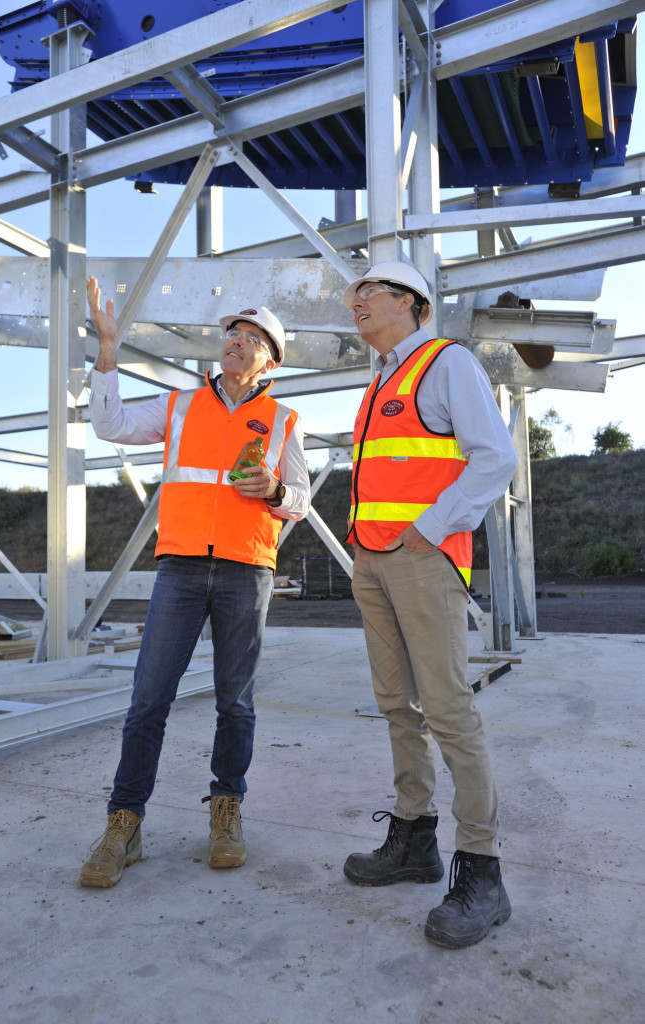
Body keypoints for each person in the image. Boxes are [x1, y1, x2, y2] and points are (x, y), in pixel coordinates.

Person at [79, 276, 310, 887]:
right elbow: (110, 425)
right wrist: (109, 350)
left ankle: (226, 811)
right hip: (180, 568)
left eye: (251, 336)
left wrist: (277, 491)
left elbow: (302, 501)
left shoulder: (284, 420)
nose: (235, 341)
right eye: (231, 332)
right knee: (148, 699)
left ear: (271, 359)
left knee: (236, 702)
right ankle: (122, 823)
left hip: (246, 570)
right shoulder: (180, 405)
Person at [341, 260, 518, 949]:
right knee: (395, 704)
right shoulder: (379, 378)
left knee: (447, 709)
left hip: (422, 560)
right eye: (353, 296)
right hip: (373, 559)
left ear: (409, 302)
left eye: (368, 293)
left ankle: (483, 870)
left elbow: (493, 457)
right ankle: (413, 840)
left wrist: (434, 525)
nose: (355, 303)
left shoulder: (443, 363)